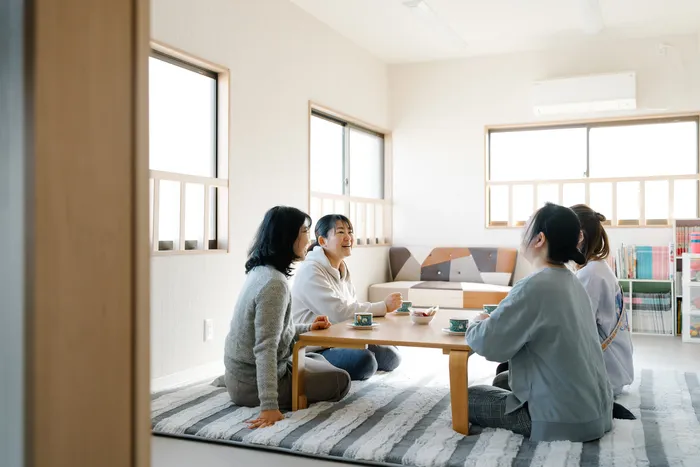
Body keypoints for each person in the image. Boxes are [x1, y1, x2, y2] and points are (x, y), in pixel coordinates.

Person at [465, 202, 613, 442]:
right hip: (597, 413)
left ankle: (534, 417)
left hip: (562, 422)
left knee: (467, 397)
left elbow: (489, 345)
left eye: (527, 225)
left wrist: (475, 323)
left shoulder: (533, 286)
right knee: (503, 380)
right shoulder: (574, 282)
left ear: (539, 239)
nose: (523, 230)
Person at [220, 206, 351, 429]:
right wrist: (269, 407)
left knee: (317, 360)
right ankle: (267, 396)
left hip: (239, 375)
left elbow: (273, 330)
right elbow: (266, 348)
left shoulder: (260, 271)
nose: (309, 240)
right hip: (251, 386)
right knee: (341, 380)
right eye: (304, 232)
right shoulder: (274, 284)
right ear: (287, 237)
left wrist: (309, 326)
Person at [292, 214, 402, 380]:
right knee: (366, 362)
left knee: (393, 356)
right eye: (341, 232)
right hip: (314, 348)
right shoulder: (311, 271)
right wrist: (383, 306)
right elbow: (339, 313)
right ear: (322, 241)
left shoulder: (341, 268)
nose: (348, 237)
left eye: (350, 232)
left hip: (340, 339)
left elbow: (351, 305)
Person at [571, 204, 634, 396]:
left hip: (605, 374)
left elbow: (576, 328)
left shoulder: (590, 275)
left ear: (580, 236)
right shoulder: (599, 268)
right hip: (616, 368)